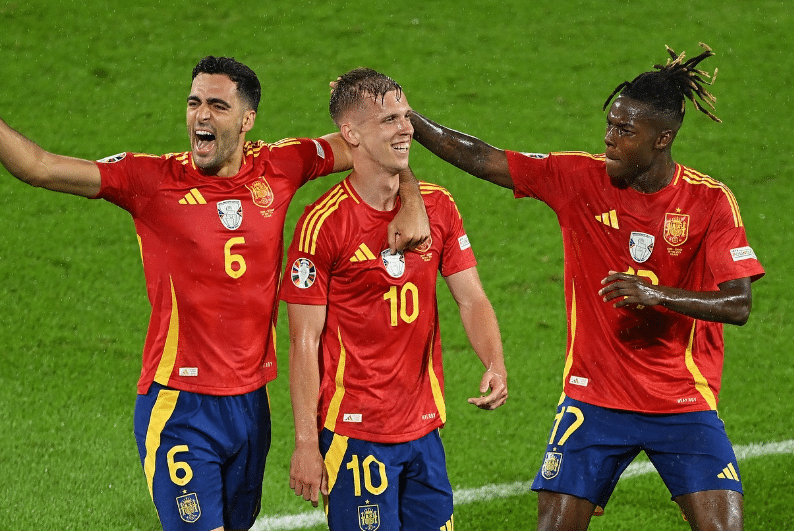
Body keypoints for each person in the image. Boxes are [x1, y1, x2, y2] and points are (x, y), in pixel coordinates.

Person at [0, 56, 429, 531]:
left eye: (217, 106)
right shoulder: (149, 180)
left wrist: (411, 200)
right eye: (194, 103)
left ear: (247, 120)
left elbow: (377, 145)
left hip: (251, 407)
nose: (201, 116)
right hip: (180, 407)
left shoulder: (280, 166)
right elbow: (39, 167)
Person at [408, 43, 765, 530]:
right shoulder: (579, 178)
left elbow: (738, 303)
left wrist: (656, 295)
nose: (609, 139)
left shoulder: (709, 202)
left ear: (662, 139)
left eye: (624, 131)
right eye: (610, 125)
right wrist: (408, 119)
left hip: (682, 399)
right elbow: (486, 159)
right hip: (593, 398)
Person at [280, 67, 508, 530]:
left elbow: (472, 298)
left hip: (424, 427)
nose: (407, 128)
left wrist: (495, 362)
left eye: (405, 116)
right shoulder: (323, 223)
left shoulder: (438, 205)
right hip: (355, 432)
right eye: (389, 120)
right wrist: (306, 441)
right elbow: (304, 339)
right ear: (351, 135)